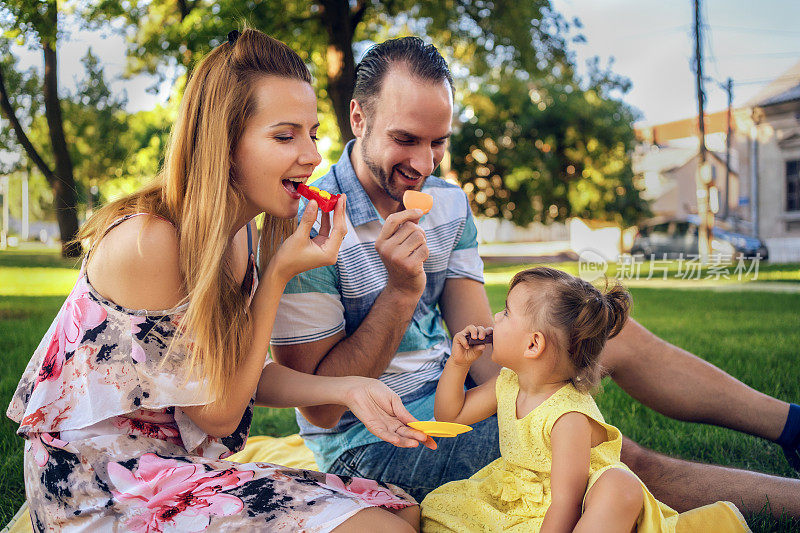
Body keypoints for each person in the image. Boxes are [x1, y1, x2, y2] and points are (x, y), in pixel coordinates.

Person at [271, 36, 800, 516]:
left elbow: (483, 347)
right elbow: (319, 408)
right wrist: (401, 293)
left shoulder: (449, 203)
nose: (424, 164)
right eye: (405, 139)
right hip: (373, 444)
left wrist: (529, 396)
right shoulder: (308, 225)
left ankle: (792, 426)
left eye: (438, 142)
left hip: (455, 394)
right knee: (600, 452)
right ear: (359, 119)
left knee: (608, 333)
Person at [6, 28, 438, 532]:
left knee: (399, 509)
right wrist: (278, 274)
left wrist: (350, 389)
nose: (313, 156)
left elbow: (234, 369)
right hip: (100, 487)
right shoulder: (150, 242)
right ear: (223, 144)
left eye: (312, 132)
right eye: (284, 136)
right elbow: (219, 413)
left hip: (175, 463)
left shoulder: (240, 237)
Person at [420, 267, 750, 532]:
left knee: (619, 485)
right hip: (516, 496)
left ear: (533, 345)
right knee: (441, 513)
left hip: (571, 512)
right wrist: (458, 363)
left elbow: (565, 502)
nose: (495, 317)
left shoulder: (568, 417)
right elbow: (451, 416)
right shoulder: (509, 382)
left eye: (506, 313)